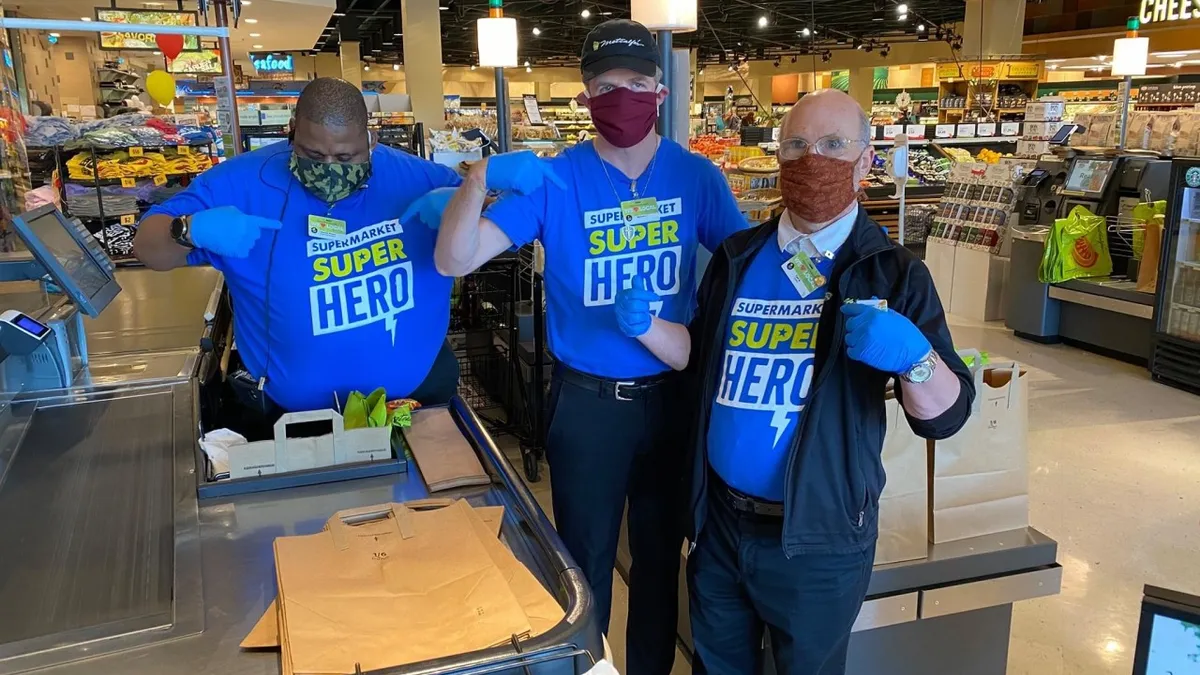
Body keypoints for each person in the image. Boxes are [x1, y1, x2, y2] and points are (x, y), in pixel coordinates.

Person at [406, 19, 747, 674]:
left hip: (673, 398)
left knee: (657, 561)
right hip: (587, 407)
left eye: (638, 83)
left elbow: (743, 268)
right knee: (583, 566)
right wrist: (476, 180)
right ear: (587, 97)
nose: (624, 96)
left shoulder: (696, 179)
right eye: (607, 85)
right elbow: (454, 258)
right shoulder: (554, 181)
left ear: (660, 91)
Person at [677, 89, 976, 674]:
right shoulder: (737, 256)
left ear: (867, 161)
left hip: (818, 541)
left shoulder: (894, 272)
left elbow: (946, 415)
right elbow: (701, 366)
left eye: (834, 145)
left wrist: (913, 357)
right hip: (719, 528)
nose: (813, 159)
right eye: (797, 145)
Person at [133, 77, 462, 432]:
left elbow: (507, 226)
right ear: (292, 132)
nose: (330, 168)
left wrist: (474, 199)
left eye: (346, 157)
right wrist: (190, 229)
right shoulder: (239, 183)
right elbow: (148, 249)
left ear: (371, 140)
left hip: (418, 404)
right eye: (314, 155)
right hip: (295, 420)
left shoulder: (421, 180)